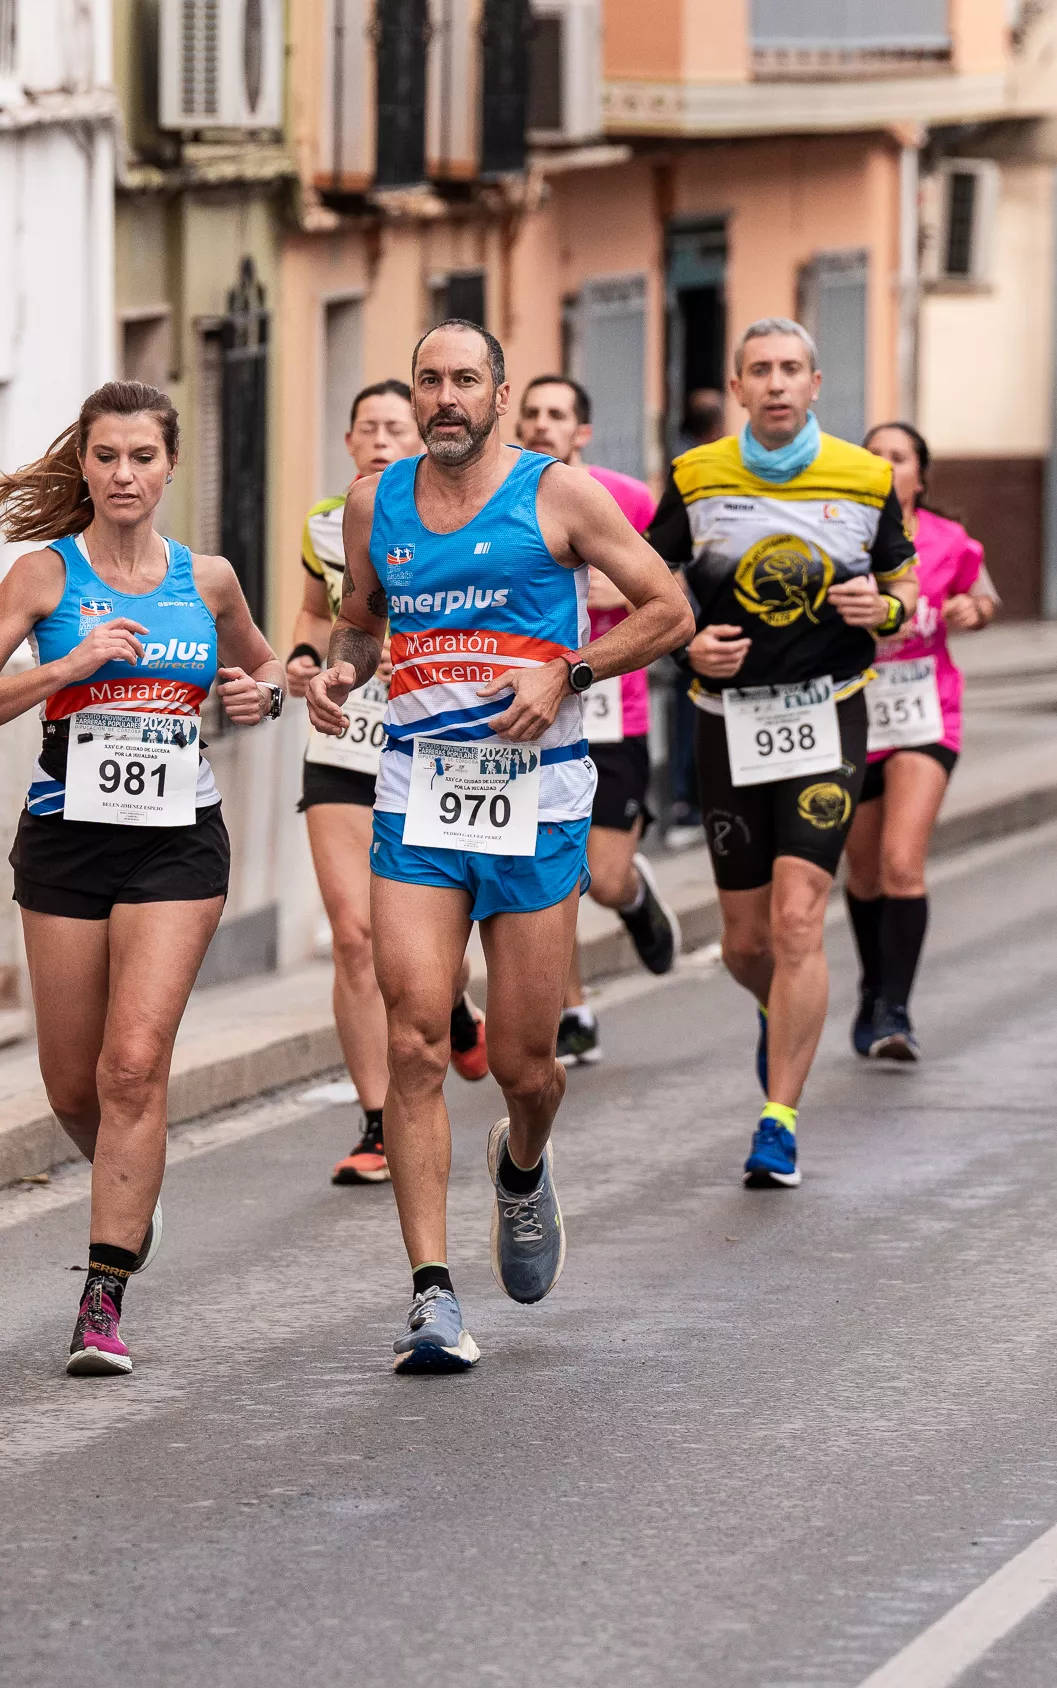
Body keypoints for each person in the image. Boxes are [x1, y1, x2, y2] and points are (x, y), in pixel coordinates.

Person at [300, 320, 690, 1372]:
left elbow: (670, 607)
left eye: (465, 379)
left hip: (540, 797)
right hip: (419, 794)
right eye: (429, 380)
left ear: (500, 392)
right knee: (419, 1034)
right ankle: (432, 1295)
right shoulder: (374, 503)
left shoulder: (560, 494)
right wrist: (340, 673)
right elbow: (361, 620)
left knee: (526, 1059)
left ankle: (522, 1166)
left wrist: (571, 672)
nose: (444, 398)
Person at [0, 381, 281, 1374]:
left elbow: (265, 672)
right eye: (107, 457)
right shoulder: (45, 577)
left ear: (171, 466)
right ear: (82, 466)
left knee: (133, 1064)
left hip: (178, 838)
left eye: (143, 456)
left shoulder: (207, 578)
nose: (125, 474)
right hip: (67, 837)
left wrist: (264, 692)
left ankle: (102, 1296)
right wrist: (65, 666)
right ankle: (133, 1193)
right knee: (74, 1079)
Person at [649, 319, 919, 1188]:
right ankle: (781, 1008)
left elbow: (904, 582)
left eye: (790, 369)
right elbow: (650, 585)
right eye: (758, 370)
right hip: (724, 718)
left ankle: (779, 1120)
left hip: (825, 714)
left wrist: (885, 614)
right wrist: (688, 646)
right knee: (744, 942)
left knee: (801, 918)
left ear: (815, 383)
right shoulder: (695, 478)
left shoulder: (865, 476)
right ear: (736, 388)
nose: (775, 383)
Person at [286, 381, 493, 1183]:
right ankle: (375, 1121)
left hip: (433, 746)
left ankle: (449, 1005)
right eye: (365, 427)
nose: (378, 439)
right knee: (353, 935)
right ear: (348, 442)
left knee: (427, 956)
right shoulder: (323, 523)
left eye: (392, 427)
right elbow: (315, 610)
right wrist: (309, 659)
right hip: (347, 740)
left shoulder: (453, 519)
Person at [514, 373, 681, 1067]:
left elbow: (661, 588)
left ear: (582, 431)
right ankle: (572, 1010)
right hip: (534, 716)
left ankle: (636, 896)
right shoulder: (506, 499)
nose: (543, 424)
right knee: (554, 871)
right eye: (532, 413)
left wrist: (602, 581)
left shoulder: (628, 498)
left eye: (558, 414)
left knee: (603, 878)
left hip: (615, 714)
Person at [844, 422, 996, 1063]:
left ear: (919, 477)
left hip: (925, 718)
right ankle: (874, 983)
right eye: (872, 455)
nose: (884, 465)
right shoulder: (835, 539)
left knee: (903, 862)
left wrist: (972, 611)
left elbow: (983, 595)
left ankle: (895, 1011)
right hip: (852, 719)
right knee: (864, 871)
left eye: (897, 457)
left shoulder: (947, 540)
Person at [662, 386, 735, 830]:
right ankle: (687, 796)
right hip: (692, 619)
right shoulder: (688, 471)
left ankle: (689, 796)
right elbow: (666, 558)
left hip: (707, 616)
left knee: (691, 708)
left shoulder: (713, 469)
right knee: (689, 706)